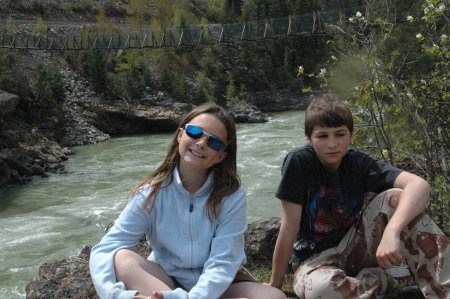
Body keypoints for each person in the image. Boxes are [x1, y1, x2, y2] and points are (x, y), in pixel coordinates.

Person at [90, 103, 287, 299]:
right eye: (195, 132)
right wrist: (118, 296)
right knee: (122, 258)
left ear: (221, 156)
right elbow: (105, 249)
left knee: (274, 297)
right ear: (180, 135)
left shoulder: (231, 196)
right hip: (165, 279)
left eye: (214, 142)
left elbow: (223, 261)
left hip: (221, 283)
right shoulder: (151, 193)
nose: (201, 143)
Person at [268, 94, 450, 298]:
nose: (332, 144)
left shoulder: (359, 163)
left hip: (355, 246)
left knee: (398, 197)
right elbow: (290, 226)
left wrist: (392, 231)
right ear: (309, 138)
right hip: (313, 260)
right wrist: (275, 283)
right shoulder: (299, 162)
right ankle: (391, 279)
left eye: (339, 134)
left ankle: (444, 289)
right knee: (320, 290)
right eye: (322, 136)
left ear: (351, 134)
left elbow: (419, 185)